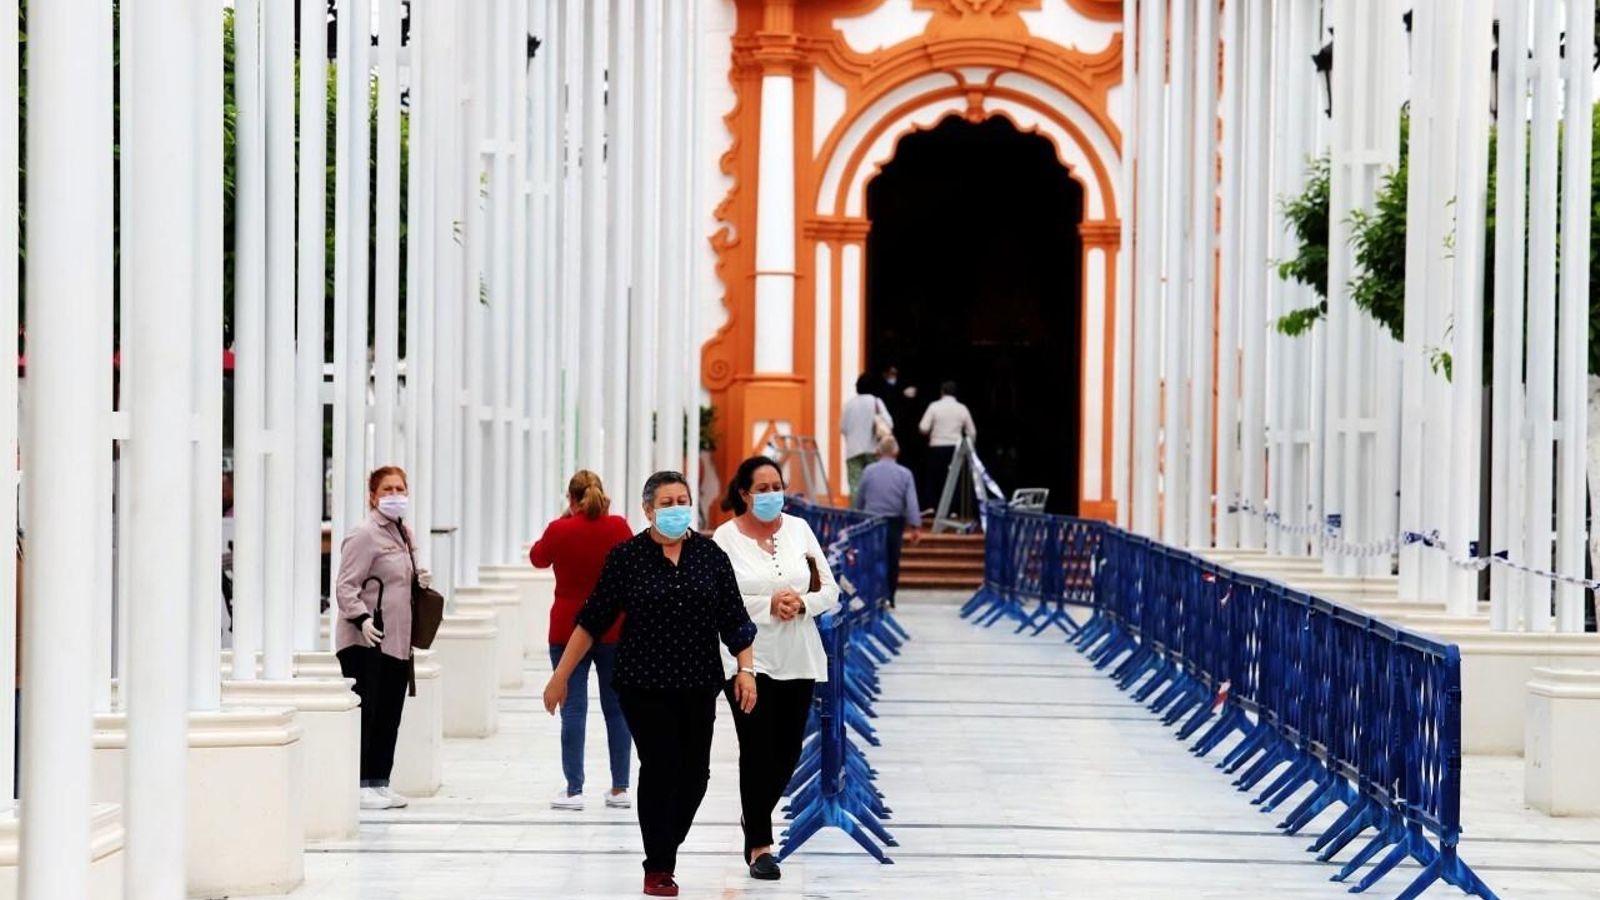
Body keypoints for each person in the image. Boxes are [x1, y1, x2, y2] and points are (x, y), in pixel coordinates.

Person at [543, 471, 758, 899]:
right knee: (660, 768)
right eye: (667, 502)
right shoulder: (627, 557)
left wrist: (746, 670)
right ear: (648, 509)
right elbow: (592, 621)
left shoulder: (710, 556)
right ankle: (658, 866)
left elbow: (735, 619)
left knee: (696, 775)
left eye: (683, 500)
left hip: (699, 684)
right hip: (643, 685)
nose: (677, 508)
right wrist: (560, 676)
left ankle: (665, 842)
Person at [713, 456, 839, 881]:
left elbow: (831, 589)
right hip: (748, 660)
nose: (771, 495)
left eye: (776, 486)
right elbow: (720, 600)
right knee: (757, 748)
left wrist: (802, 603)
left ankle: (755, 814)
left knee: (786, 752)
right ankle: (760, 847)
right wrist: (768, 605)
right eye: (762, 489)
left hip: (799, 656)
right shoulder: (726, 538)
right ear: (745, 494)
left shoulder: (800, 530)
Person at [530, 470, 636, 811]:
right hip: (615, 628)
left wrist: (564, 520)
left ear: (571, 499)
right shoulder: (618, 527)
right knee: (617, 710)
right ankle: (620, 789)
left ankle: (574, 790)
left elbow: (537, 558)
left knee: (573, 709)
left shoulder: (560, 529)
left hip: (566, 628)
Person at [334, 466, 427, 811]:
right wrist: (359, 618)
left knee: (390, 712)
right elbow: (346, 585)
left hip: (398, 640)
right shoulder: (364, 534)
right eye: (386, 490)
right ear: (372, 496)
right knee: (368, 711)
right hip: (366, 641)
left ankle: (379, 781)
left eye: (400, 488)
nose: (394, 495)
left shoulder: (404, 533)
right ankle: (360, 783)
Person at [853, 436, 921, 605]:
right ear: (896, 452)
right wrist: (915, 527)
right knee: (892, 559)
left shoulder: (868, 471)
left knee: (871, 559)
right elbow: (911, 502)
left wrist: (856, 517)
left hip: (871, 522)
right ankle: (889, 596)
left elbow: (859, 498)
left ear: (878, 451)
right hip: (894, 523)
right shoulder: (905, 474)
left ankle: (871, 596)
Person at [919, 380, 977, 507]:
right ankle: (954, 508)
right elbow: (972, 432)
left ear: (942, 392)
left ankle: (933, 506)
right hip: (956, 449)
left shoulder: (934, 406)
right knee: (954, 480)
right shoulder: (962, 408)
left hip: (936, 447)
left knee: (935, 479)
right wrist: (968, 447)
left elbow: (923, 427)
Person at [839, 374, 892, 496]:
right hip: (873, 449)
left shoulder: (849, 404)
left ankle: (856, 512)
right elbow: (889, 423)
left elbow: (843, 428)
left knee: (855, 486)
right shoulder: (876, 402)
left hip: (852, 451)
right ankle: (873, 511)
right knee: (875, 484)